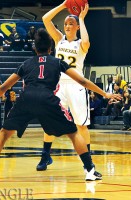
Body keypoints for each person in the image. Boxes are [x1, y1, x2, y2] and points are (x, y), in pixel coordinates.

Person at [0, 28, 119, 183]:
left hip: (27, 98)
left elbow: (3, 87)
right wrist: (105, 94)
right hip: (47, 98)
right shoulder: (58, 62)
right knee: (73, 133)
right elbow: (83, 81)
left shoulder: (26, 63)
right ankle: (90, 171)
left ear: (34, 48)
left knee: (4, 133)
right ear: (51, 49)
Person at [36, 1, 95, 171]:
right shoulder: (59, 40)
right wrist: (63, 5)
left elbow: (86, 41)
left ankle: (88, 161)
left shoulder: (81, 45)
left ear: (76, 27)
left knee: (81, 125)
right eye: (66, 24)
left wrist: (82, 19)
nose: (67, 26)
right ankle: (45, 156)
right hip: (59, 86)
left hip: (77, 86)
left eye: (71, 23)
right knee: (50, 121)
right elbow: (46, 19)